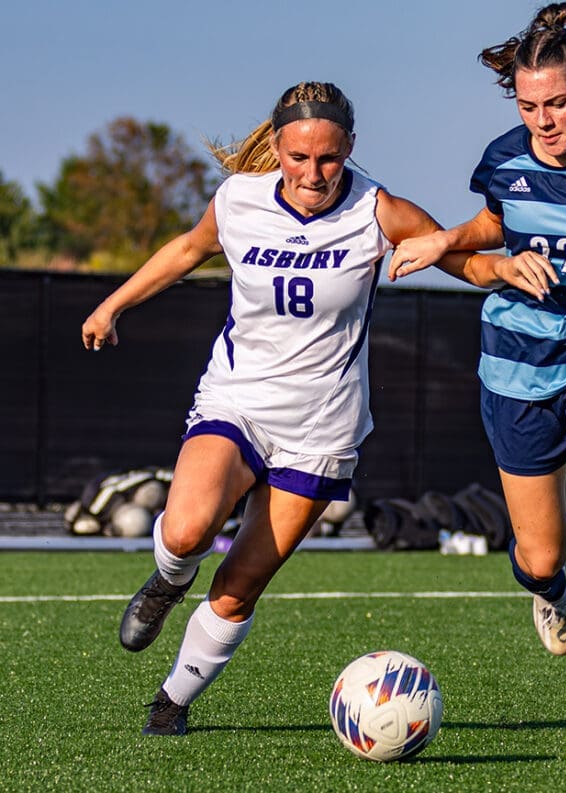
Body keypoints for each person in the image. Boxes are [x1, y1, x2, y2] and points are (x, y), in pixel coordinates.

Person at [81, 81, 531, 737]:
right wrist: (113, 303)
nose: (312, 173)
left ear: (349, 147)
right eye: (297, 157)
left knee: (239, 583)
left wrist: (508, 268)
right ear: (277, 145)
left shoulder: (379, 210)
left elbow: (457, 258)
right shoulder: (239, 199)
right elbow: (188, 247)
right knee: (185, 531)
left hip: (322, 427)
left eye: (327, 158)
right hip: (237, 398)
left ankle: (170, 702)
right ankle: (167, 580)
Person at [389, 3, 566, 737]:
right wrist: (445, 240)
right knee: (539, 553)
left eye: (559, 103)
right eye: (531, 106)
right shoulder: (505, 155)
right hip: (516, 367)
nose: (545, 122)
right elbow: (497, 219)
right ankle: (547, 587)